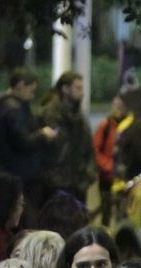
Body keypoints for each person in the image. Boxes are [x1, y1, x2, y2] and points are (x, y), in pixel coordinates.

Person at [0, 69, 58, 216]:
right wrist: (42, 133)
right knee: (26, 215)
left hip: (9, 170)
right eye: (31, 90)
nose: (33, 95)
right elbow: (23, 142)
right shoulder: (14, 109)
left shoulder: (2, 105)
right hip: (21, 172)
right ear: (21, 85)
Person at [37, 72, 93, 204]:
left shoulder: (80, 118)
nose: (82, 93)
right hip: (55, 186)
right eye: (78, 88)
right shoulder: (48, 115)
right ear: (65, 89)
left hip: (77, 185)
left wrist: (88, 176)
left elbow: (88, 149)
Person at [93, 92, 128, 225]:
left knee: (123, 211)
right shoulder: (106, 125)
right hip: (107, 176)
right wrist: (108, 166)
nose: (117, 109)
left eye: (120, 106)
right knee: (106, 210)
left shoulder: (130, 126)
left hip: (124, 176)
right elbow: (96, 150)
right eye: (115, 105)